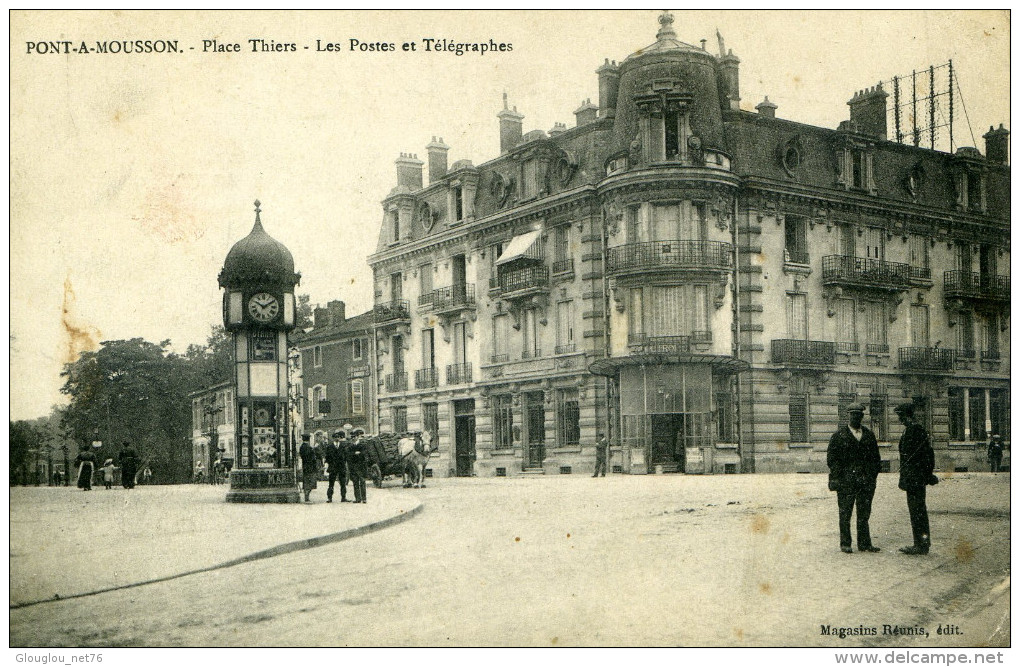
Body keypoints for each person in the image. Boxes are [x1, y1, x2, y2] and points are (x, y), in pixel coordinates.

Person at [826, 403, 882, 554]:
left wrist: (871, 476)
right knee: (845, 513)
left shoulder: (869, 435)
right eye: (853, 415)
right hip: (846, 482)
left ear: (862, 416)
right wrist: (841, 476)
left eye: (859, 415)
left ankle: (864, 544)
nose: (856, 417)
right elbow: (832, 459)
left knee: (864, 514)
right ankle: (845, 543)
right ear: (848, 416)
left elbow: (876, 459)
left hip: (865, 482)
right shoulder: (838, 436)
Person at [895, 402, 936, 555]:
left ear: (907, 416)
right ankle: (919, 542)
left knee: (918, 511)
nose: (900, 420)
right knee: (915, 510)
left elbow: (928, 455)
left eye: (901, 416)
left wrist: (926, 475)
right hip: (911, 478)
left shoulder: (916, 431)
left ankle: (922, 544)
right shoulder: (909, 430)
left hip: (916, 478)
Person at [324, 430, 350, 503]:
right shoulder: (330, 447)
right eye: (335, 437)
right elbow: (327, 457)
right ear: (333, 438)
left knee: (343, 483)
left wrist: (344, 463)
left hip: (341, 467)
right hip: (333, 467)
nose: (337, 438)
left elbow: (346, 456)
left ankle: (343, 497)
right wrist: (328, 464)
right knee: (331, 484)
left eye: (338, 437)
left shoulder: (342, 446)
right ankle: (329, 498)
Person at [347, 429, 368, 503]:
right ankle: (357, 499)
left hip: (361, 467)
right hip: (353, 467)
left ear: (357, 437)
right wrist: (355, 453)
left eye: (354, 436)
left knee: (362, 482)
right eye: (352, 437)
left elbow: (365, 454)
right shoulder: (350, 446)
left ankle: (364, 498)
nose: (353, 438)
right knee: (355, 483)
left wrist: (360, 453)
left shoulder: (362, 445)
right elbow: (348, 456)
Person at [299, 434, 320, 503]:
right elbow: (310, 456)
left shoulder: (302, 446)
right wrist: (314, 449)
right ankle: (307, 498)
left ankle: (307, 497)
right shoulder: (307, 447)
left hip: (306, 466)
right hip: (310, 467)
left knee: (308, 482)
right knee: (309, 482)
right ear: (308, 439)